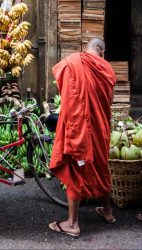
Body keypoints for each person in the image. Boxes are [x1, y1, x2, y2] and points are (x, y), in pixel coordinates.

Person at [48, 38, 117, 237]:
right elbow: (108, 101)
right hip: (100, 128)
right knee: (101, 166)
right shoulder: (108, 70)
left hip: (81, 128)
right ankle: (108, 211)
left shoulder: (75, 62)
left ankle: (72, 224)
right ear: (102, 53)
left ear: (85, 50)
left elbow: (66, 92)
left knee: (75, 170)